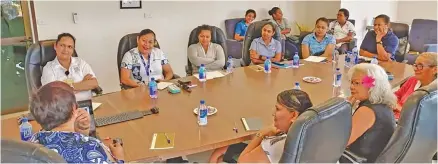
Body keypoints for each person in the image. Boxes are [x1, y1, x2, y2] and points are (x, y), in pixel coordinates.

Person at [28, 81, 125, 163]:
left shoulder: (30, 145)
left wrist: (81, 134)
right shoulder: (92, 147)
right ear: (74, 109)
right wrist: (119, 158)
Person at [209, 89, 313, 163]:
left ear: (294, 115)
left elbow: (242, 161)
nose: (273, 113)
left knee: (217, 154)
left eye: (278, 109)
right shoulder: (310, 133)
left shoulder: (278, 145)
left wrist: (261, 134)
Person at [340, 63, 397, 163]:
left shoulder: (367, 111)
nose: (351, 87)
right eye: (351, 82)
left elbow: (341, 143)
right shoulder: (382, 104)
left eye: (356, 83)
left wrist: (345, 111)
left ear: (371, 86)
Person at [41, 33, 98, 101]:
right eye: (62, 45)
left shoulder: (81, 63)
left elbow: (94, 83)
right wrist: (83, 83)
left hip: (86, 107)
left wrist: (69, 87)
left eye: (70, 47)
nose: (65, 50)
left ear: (73, 49)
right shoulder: (48, 68)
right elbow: (54, 93)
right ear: (55, 46)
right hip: (62, 109)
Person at [394, 52, 437, 119]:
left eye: (420, 66)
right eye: (415, 65)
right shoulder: (412, 80)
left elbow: (424, 118)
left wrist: (400, 108)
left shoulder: (434, 93)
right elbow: (396, 95)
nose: (415, 69)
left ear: (435, 69)